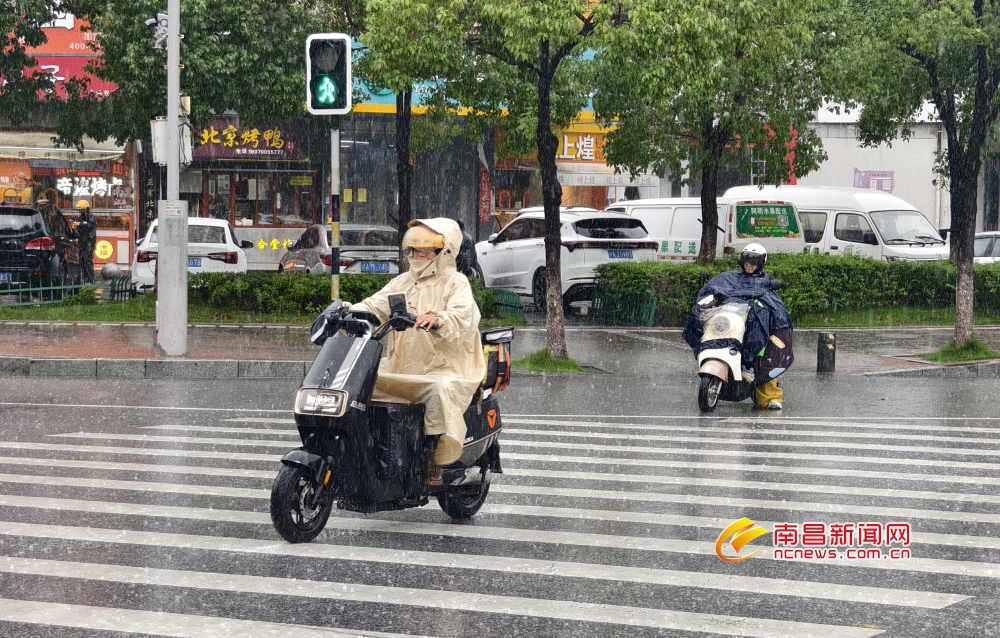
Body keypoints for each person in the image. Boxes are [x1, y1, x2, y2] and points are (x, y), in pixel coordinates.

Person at [348, 218, 486, 483]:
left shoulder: (456, 283)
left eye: (426, 250)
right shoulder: (402, 282)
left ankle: (430, 454)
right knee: (359, 385)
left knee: (438, 390)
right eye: (414, 249)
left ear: (444, 252)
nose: (419, 255)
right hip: (401, 364)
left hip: (445, 366)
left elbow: (463, 317)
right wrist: (347, 311)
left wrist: (439, 319)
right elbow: (375, 305)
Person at [682, 243, 793, 410]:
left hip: (751, 329)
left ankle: (771, 396)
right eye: (746, 259)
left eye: (754, 261)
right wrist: (708, 302)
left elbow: (776, 312)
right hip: (728, 325)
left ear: (761, 263)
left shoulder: (764, 283)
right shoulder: (728, 278)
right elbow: (714, 291)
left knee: (763, 357)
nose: (749, 264)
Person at [73, 200, 97, 284]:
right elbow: (78, 231)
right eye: (80, 210)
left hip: (89, 242)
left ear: (86, 209)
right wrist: (75, 230)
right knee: (82, 261)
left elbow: (90, 226)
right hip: (82, 242)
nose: (80, 212)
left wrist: (80, 224)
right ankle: (85, 279)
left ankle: (90, 279)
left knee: (87, 260)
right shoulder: (79, 218)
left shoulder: (91, 217)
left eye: (82, 210)